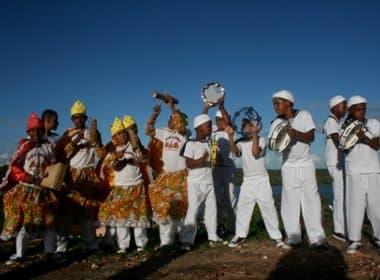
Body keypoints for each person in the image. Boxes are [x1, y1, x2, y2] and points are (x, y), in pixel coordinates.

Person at [269, 90, 327, 249]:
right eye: (274, 103)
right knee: (289, 202)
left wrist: (296, 134)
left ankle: (317, 239)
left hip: (306, 164)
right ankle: (294, 238)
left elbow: (311, 137)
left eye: (278, 103)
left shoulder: (304, 115)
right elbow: (274, 146)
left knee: (311, 201)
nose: (275, 106)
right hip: (288, 166)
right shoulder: (275, 122)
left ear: (289, 102)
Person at [0, 113, 59, 264]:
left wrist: (51, 180)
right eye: (34, 131)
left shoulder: (48, 148)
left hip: (42, 192)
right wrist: (28, 178)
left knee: (49, 222)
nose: (37, 134)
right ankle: (20, 253)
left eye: (39, 130)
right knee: (25, 225)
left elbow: (52, 166)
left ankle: (49, 252)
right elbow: (14, 167)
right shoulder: (24, 147)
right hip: (26, 191)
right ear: (29, 132)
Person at [225, 118, 289, 249]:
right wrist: (230, 136)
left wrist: (255, 135)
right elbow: (234, 151)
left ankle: (277, 237)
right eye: (244, 128)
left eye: (248, 127)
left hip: (261, 180)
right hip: (247, 181)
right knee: (243, 209)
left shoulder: (262, 140)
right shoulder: (242, 142)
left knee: (268, 209)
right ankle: (240, 235)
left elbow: (255, 153)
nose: (245, 129)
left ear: (254, 127)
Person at [54, 100, 107, 254]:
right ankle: (61, 248)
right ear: (72, 119)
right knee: (67, 212)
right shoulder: (68, 134)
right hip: (73, 176)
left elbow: (101, 154)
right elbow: (62, 154)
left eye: (82, 117)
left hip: (89, 176)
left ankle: (91, 245)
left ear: (86, 117)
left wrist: (96, 140)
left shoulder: (94, 133)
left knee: (88, 211)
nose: (79, 120)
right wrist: (77, 144)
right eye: (76, 117)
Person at [98, 117, 150, 253]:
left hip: (137, 185)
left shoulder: (134, 146)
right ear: (114, 136)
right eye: (119, 134)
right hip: (121, 187)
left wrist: (134, 141)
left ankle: (141, 245)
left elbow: (142, 157)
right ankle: (123, 246)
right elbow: (114, 166)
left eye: (124, 132)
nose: (122, 135)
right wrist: (118, 158)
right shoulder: (112, 152)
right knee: (122, 219)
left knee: (138, 218)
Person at [145, 97, 189, 249]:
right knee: (164, 208)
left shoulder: (184, 134)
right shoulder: (164, 132)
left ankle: (184, 241)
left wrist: (171, 107)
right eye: (171, 119)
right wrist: (154, 115)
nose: (172, 121)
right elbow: (148, 130)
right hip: (166, 176)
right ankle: (165, 242)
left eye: (175, 119)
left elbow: (181, 127)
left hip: (181, 176)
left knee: (182, 209)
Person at [180, 114, 225, 251]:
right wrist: (203, 159)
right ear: (199, 128)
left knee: (212, 210)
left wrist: (217, 156)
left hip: (209, 181)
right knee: (193, 210)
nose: (211, 128)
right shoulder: (190, 144)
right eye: (208, 125)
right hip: (195, 182)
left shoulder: (210, 143)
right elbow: (189, 164)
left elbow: (219, 161)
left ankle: (212, 236)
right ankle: (187, 240)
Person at [342, 95, 380, 254]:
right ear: (350, 110)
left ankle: (378, 237)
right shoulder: (344, 127)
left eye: (363, 108)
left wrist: (362, 136)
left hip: (373, 169)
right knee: (354, 206)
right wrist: (353, 136)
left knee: (376, 206)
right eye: (358, 109)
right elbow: (344, 148)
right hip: (354, 170)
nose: (361, 111)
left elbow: (377, 145)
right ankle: (355, 240)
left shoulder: (374, 123)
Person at [202, 98, 237, 237]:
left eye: (222, 119)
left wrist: (221, 106)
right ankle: (219, 227)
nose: (220, 122)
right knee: (215, 201)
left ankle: (236, 230)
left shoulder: (231, 130)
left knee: (230, 201)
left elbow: (229, 121)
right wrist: (206, 108)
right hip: (215, 169)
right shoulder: (213, 131)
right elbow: (202, 121)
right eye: (218, 120)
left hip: (228, 169)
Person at [323, 96, 347, 241]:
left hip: (340, 161)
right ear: (334, 108)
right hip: (334, 161)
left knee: (343, 193)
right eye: (342, 106)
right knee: (339, 194)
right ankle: (339, 230)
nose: (345, 109)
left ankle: (343, 225)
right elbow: (337, 140)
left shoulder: (340, 122)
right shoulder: (330, 121)